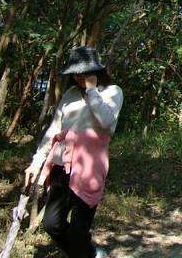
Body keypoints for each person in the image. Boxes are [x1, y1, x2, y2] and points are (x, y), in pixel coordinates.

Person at [24, 46, 123, 258]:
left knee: (79, 231)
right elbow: (54, 129)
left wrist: (91, 90)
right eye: (75, 73)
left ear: (95, 71)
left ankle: (85, 252)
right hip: (62, 166)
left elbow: (107, 123)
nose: (78, 77)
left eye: (83, 72)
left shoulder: (113, 92)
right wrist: (36, 163)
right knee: (52, 224)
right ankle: (90, 253)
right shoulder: (70, 94)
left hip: (89, 170)